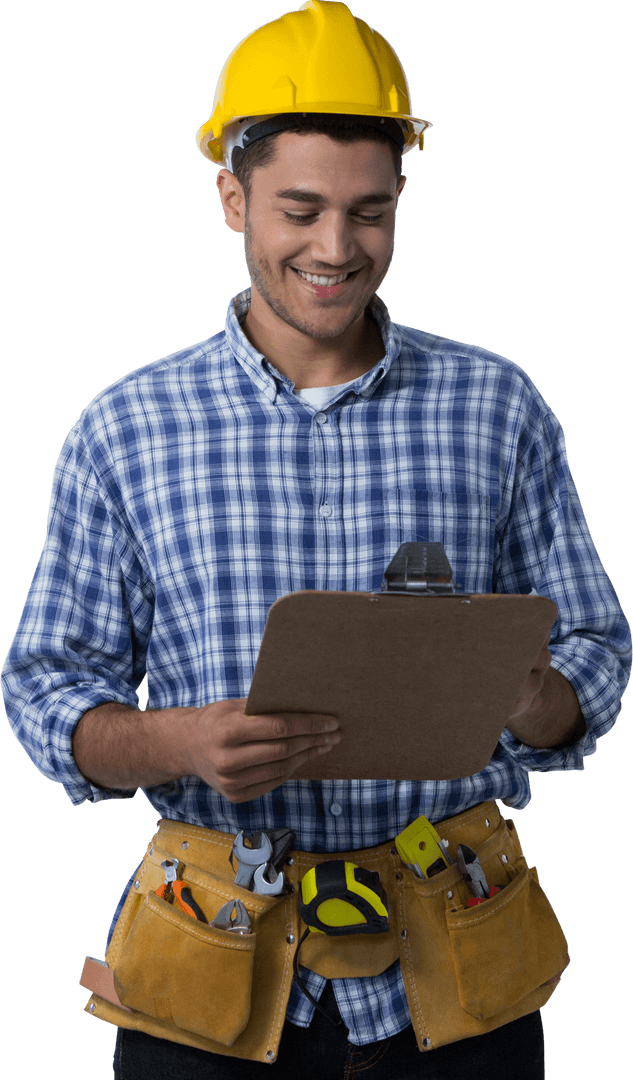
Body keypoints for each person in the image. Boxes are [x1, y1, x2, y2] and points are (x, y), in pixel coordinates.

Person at [2, 2, 630, 1078]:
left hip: (458, 970)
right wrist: (181, 742)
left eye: (368, 212)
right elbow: (44, 691)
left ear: (398, 205)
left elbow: (595, 657)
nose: (336, 250)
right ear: (232, 198)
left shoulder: (498, 406)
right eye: (299, 209)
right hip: (208, 978)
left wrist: (529, 695)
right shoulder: (124, 428)